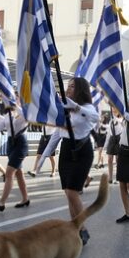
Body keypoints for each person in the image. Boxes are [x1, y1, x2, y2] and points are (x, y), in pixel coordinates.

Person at [37, 78, 99, 245]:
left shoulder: (87, 108)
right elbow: (57, 133)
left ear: (80, 89)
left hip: (82, 151)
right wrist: (44, 156)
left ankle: (83, 228)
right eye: (68, 86)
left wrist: (75, 107)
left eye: (72, 86)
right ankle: (75, 229)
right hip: (66, 150)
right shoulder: (64, 109)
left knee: (73, 192)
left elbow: (95, 117)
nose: (68, 89)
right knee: (68, 194)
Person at [104, 109, 122, 183]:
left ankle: (118, 177)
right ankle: (110, 177)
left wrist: (114, 117)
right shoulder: (111, 120)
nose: (114, 111)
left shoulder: (121, 119)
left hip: (119, 138)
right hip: (112, 139)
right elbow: (109, 132)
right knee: (109, 159)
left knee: (118, 160)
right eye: (113, 110)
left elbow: (119, 121)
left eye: (115, 110)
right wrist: (106, 144)